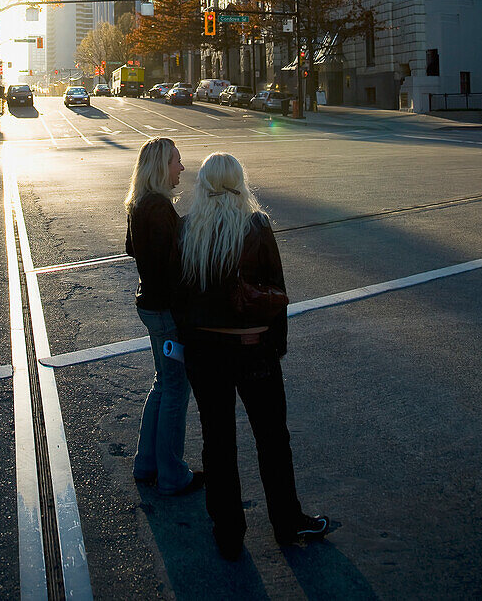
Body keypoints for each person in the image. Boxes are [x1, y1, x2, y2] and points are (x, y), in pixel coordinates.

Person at [172, 152, 329, 559]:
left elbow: (180, 299)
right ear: (240, 182)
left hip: (206, 352)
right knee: (272, 438)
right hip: (253, 350)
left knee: (218, 441)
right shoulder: (255, 225)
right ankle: (286, 521)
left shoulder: (187, 229)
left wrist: (190, 343)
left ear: (204, 184)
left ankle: (228, 531)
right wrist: (277, 345)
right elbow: (276, 292)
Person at [125, 137, 203, 496]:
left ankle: (147, 464)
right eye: (176, 162)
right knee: (175, 389)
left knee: (162, 383)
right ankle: (172, 474)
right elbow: (173, 269)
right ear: (161, 167)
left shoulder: (141, 203)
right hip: (166, 310)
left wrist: (180, 225)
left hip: (149, 306)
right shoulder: (158, 208)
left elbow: (132, 248)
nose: (182, 169)